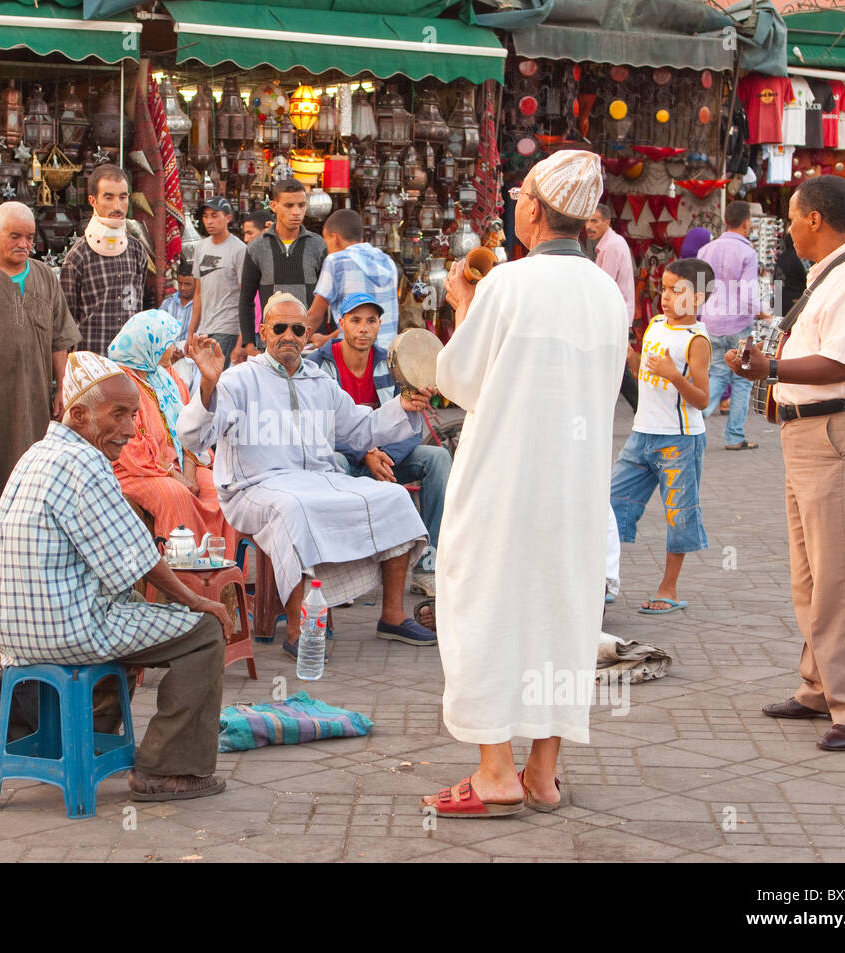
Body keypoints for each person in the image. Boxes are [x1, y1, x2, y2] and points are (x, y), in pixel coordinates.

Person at [424, 151, 627, 817]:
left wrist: (462, 305)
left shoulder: (509, 283)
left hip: (503, 484)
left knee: (485, 608)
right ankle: (543, 772)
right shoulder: (607, 292)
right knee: (560, 615)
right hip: (574, 489)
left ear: (535, 208)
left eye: (520, 195)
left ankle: (495, 772)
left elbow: (457, 379)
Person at [0, 351, 232, 802]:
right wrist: (197, 602)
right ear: (78, 414)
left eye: (134, 415)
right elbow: (137, 561)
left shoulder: (37, 454)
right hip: (64, 630)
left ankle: (93, 736)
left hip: (11, 635)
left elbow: (117, 566)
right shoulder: (84, 464)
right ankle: (164, 769)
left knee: (134, 618)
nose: (131, 429)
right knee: (206, 633)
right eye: (118, 415)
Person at [730, 175, 845, 752]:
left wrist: (769, 370)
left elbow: (841, 365)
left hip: (840, 429)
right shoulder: (838, 271)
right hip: (815, 434)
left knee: (843, 578)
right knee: (811, 576)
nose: (788, 230)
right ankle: (821, 687)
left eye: (793, 217)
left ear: (814, 221)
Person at [181, 292, 437, 655]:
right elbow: (195, 436)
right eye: (280, 327)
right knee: (294, 508)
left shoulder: (320, 382)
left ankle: (392, 616)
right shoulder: (238, 380)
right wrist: (208, 385)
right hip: (253, 486)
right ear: (264, 330)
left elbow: (362, 429)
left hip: (318, 480)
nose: (289, 335)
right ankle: (299, 630)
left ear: (307, 334)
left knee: (394, 497)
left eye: (297, 329)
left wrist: (403, 405)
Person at [308, 292, 451, 597]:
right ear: (341, 323)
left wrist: (382, 454)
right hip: (346, 459)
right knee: (336, 461)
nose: (364, 328)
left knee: (437, 458)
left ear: (379, 325)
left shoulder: (393, 362)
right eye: (356, 320)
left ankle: (427, 564)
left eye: (371, 321)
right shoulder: (318, 365)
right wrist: (365, 453)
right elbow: (319, 429)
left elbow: (412, 424)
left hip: (387, 460)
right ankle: (339, 564)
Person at [0, 201, 79, 527]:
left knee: (35, 468)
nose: (24, 244)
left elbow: (59, 340)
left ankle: (31, 540)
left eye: (30, 237)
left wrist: (62, 389)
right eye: (15, 236)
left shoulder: (45, 277)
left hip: (34, 399)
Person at [610, 258, 714, 615]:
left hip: (679, 441)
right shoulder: (654, 324)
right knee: (611, 503)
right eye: (665, 288)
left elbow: (702, 399)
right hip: (642, 435)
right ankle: (604, 578)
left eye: (676, 290)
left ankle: (668, 588)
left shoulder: (697, 340)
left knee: (679, 515)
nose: (665, 297)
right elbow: (644, 377)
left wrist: (674, 375)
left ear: (697, 299)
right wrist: (630, 357)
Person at [108, 308, 237, 555]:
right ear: (148, 345)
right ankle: (181, 582)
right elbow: (132, 452)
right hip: (137, 471)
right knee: (176, 496)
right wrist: (179, 479)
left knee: (221, 490)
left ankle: (221, 576)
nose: (174, 349)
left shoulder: (169, 377)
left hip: (180, 466)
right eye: (167, 343)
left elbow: (190, 428)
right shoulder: (122, 384)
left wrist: (189, 474)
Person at [698, 201, 770, 451]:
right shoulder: (747, 253)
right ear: (747, 222)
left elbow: (702, 287)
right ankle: (734, 436)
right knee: (743, 379)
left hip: (712, 320)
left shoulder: (706, 250)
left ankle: (693, 420)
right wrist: (763, 312)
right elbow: (748, 293)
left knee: (717, 373)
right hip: (739, 323)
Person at [59, 164, 149, 354]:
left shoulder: (137, 251)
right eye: (108, 197)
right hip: (91, 365)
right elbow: (65, 325)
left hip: (128, 363)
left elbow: (138, 312)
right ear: (93, 200)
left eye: (123, 197)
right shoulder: (77, 257)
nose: (117, 206)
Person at [233, 179, 325, 365]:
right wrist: (249, 343)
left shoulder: (318, 245)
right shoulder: (257, 247)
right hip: (270, 344)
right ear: (274, 206)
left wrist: (327, 336)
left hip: (310, 345)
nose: (296, 212)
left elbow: (329, 296)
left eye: (301, 205)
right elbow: (246, 299)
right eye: (289, 205)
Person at [306, 209, 400, 350]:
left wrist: (294, 345)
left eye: (327, 242)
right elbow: (363, 322)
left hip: (356, 358)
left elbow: (314, 316)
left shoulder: (336, 261)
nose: (328, 249)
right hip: (387, 356)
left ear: (335, 238)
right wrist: (327, 339)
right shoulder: (387, 262)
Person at [586, 204, 638, 412]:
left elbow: (604, 285)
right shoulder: (609, 244)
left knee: (616, 363)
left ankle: (639, 405)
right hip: (615, 313)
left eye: (594, 221)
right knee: (614, 363)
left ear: (607, 223)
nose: (588, 226)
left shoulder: (612, 246)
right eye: (588, 221)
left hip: (613, 315)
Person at [187, 196, 247, 368]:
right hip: (206, 327)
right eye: (205, 216)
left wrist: (242, 341)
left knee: (217, 378)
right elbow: (198, 293)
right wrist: (191, 332)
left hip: (228, 327)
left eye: (214, 215)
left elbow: (246, 297)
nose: (209, 221)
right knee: (207, 378)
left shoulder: (239, 249)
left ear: (227, 217)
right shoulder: (200, 247)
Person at [238, 210, 273, 350]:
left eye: (250, 233)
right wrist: (248, 342)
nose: (246, 239)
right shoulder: (251, 257)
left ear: (265, 231)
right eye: (244, 233)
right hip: (257, 330)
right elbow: (246, 300)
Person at [159, 262, 195, 341]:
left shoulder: (201, 307)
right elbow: (158, 330)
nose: (182, 288)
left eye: (187, 284)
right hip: (168, 350)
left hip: (190, 351)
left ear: (196, 284)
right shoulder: (167, 304)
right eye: (180, 283)